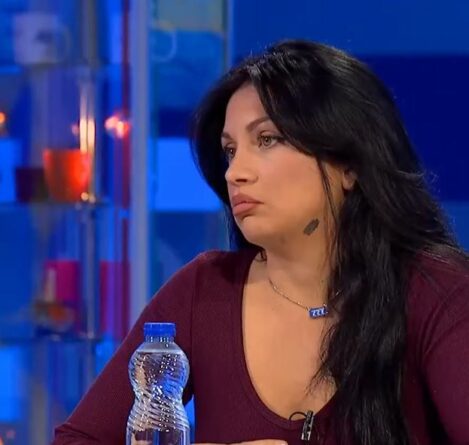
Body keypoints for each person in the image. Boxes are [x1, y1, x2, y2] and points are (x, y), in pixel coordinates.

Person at [52, 40, 469, 445]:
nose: (235, 173)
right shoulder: (202, 291)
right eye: (230, 151)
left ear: (348, 165)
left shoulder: (436, 292)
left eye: (267, 140)